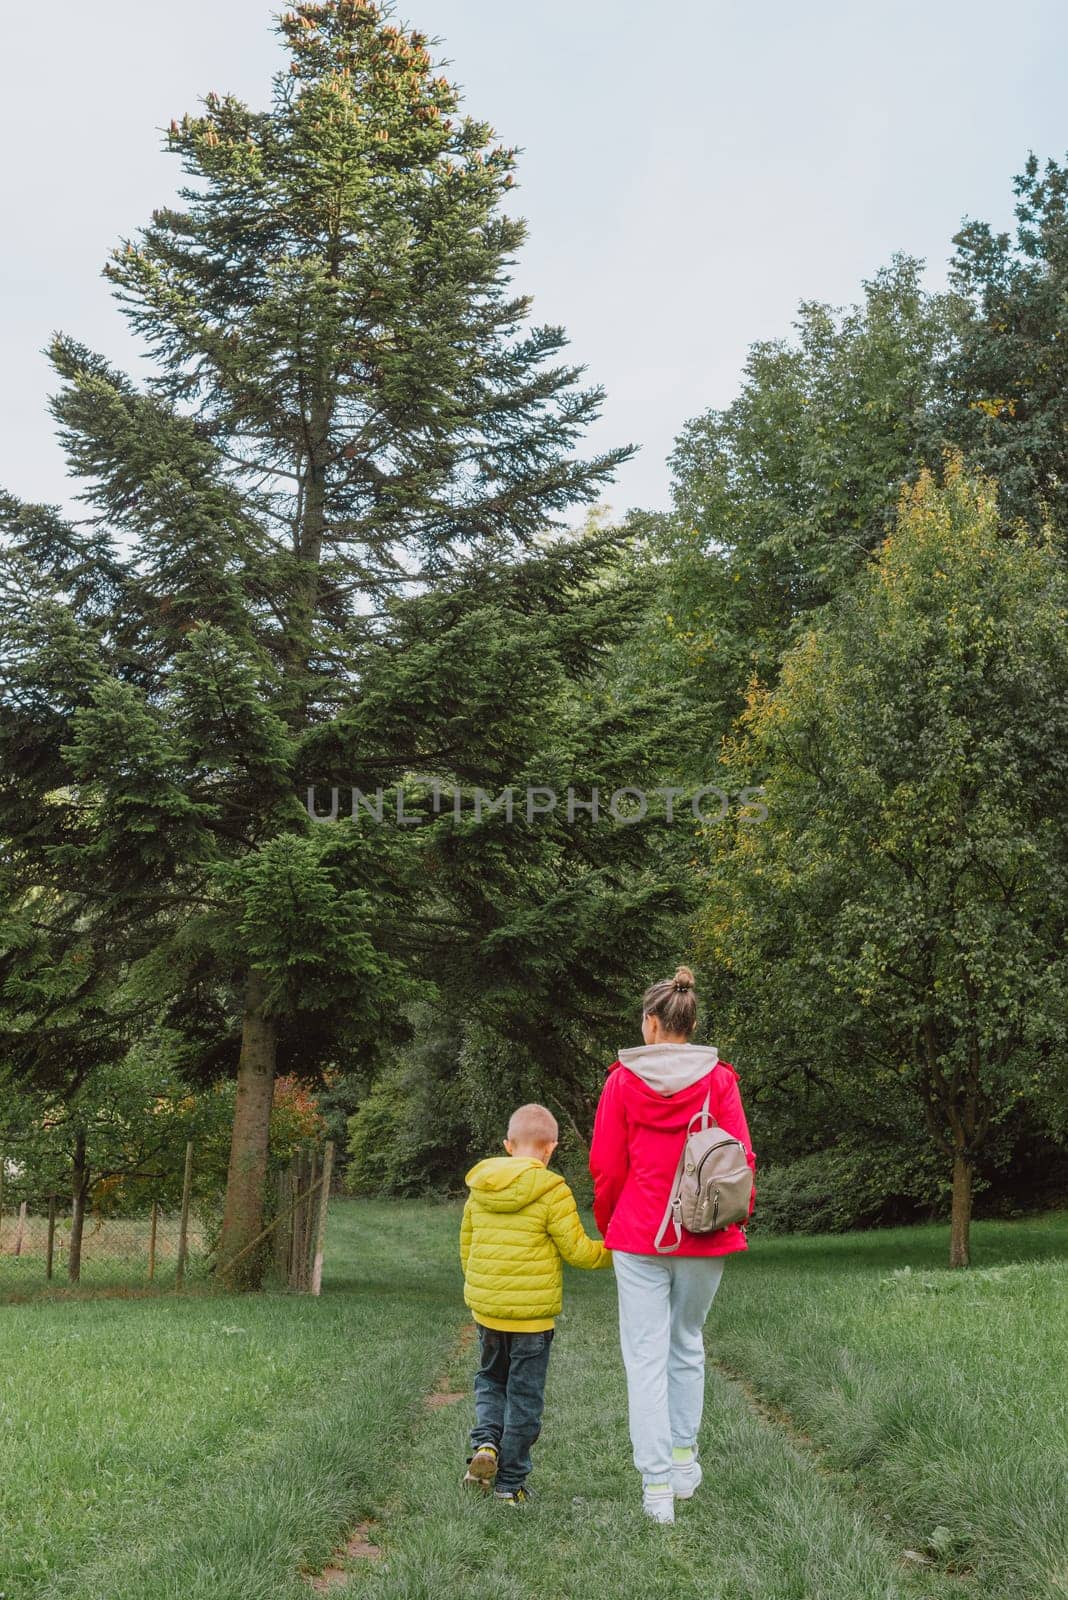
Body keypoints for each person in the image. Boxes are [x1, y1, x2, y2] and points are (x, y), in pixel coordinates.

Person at [589, 966, 756, 1524]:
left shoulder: (621, 1082)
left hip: (639, 1234)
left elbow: (606, 1167)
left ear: (653, 1023)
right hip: (705, 1232)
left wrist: (612, 1223)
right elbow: (740, 1162)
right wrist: (734, 1217)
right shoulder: (720, 1081)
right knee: (686, 1343)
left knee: (644, 1357)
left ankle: (656, 1486)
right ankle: (684, 1461)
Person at [459, 1101, 612, 1505]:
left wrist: (482, 1289)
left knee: (491, 1380)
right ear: (550, 1148)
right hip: (532, 1320)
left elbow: (467, 1246)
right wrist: (615, 1251)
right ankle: (510, 1485)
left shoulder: (481, 1186)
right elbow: (577, 1251)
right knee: (524, 1396)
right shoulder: (552, 1190)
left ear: (508, 1145)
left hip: (489, 1312)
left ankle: (486, 1444)